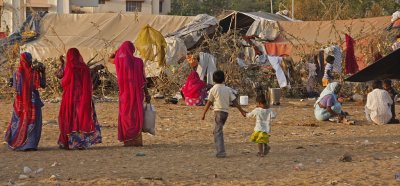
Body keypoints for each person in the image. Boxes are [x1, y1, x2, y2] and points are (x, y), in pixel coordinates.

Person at [57, 48, 102, 150]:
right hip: (83, 98)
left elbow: (63, 82)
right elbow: (89, 84)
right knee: (82, 118)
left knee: (70, 118)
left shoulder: (69, 68)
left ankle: (70, 142)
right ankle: (82, 142)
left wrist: (62, 64)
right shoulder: (84, 68)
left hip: (70, 99)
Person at [4, 52, 46, 151]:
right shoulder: (35, 73)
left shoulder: (17, 74)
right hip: (33, 102)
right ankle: (30, 145)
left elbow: (15, 89)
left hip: (20, 104)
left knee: (19, 121)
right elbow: (43, 85)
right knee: (33, 122)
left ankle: (19, 142)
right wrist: (43, 72)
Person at [112, 41, 151, 147]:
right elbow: (143, 80)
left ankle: (128, 140)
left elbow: (110, 59)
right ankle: (136, 140)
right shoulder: (138, 62)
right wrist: (147, 94)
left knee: (126, 115)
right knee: (136, 114)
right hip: (137, 94)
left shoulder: (119, 61)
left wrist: (116, 52)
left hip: (124, 95)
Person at [201, 70, 246, 158]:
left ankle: (221, 152)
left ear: (213, 80)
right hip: (225, 113)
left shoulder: (213, 89)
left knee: (218, 132)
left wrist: (203, 113)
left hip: (218, 112)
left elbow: (209, 102)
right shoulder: (227, 89)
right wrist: (242, 111)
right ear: (224, 79)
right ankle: (218, 145)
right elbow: (235, 102)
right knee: (217, 130)